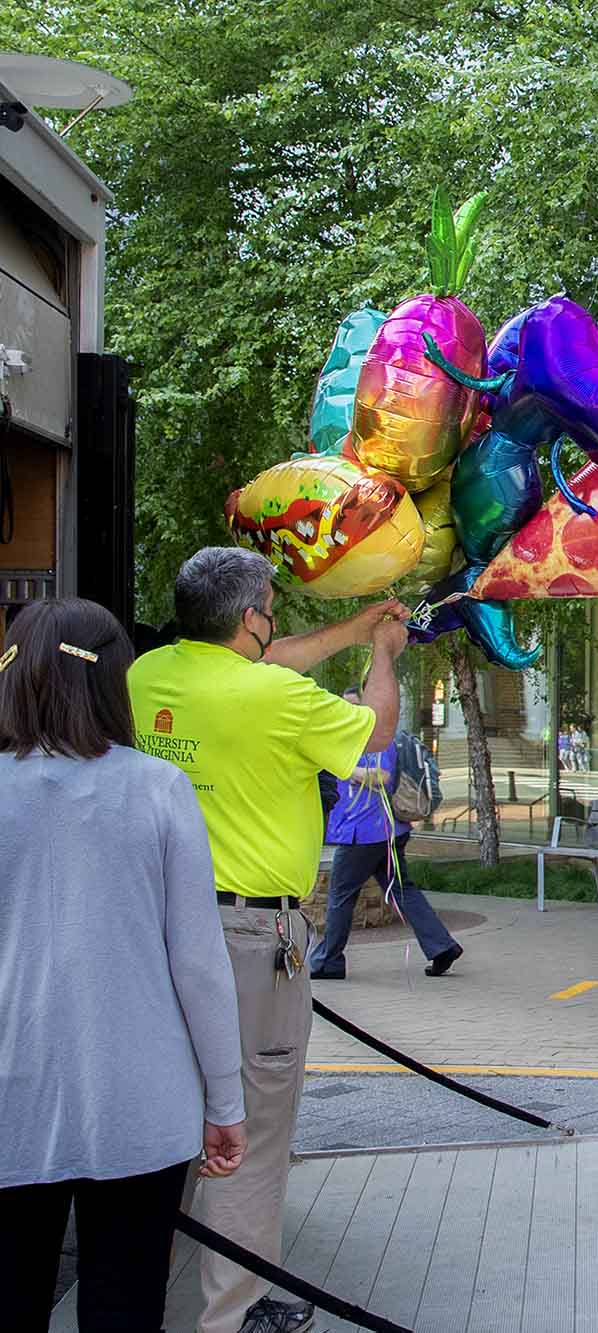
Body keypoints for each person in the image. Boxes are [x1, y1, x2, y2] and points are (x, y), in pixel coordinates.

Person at [128, 548, 406, 1333]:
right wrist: (381, 651)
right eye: (269, 610)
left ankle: (146, 1294)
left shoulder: (149, 676)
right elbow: (376, 733)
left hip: (158, 931)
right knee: (249, 1130)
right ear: (251, 618)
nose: (274, 623)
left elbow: (258, 664)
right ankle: (234, 1313)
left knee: (169, 1124)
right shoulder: (280, 699)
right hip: (252, 939)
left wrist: (348, 628)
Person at [0, 599, 246, 1331]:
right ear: (113, 682)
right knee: (125, 1304)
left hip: (12, 1086)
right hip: (142, 1093)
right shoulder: (157, 788)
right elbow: (199, 961)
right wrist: (225, 1100)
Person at [311, 693, 464, 980]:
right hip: (383, 832)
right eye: (346, 706)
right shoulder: (352, 740)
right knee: (402, 890)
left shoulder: (377, 739)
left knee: (340, 896)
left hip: (366, 833)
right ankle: (441, 946)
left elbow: (381, 776)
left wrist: (345, 768)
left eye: (355, 706)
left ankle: (327, 961)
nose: (349, 711)